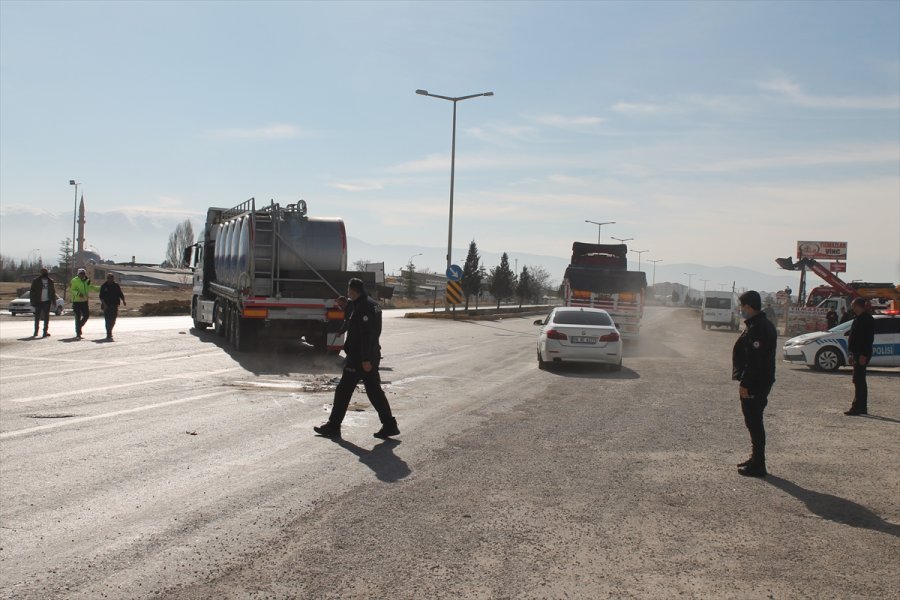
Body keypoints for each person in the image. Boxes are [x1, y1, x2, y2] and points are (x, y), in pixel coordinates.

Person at [314, 278, 399, 439]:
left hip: (361, 357)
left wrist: (366, 359)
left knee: (347, 391)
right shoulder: (368, 304)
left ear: (353, 290)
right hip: (364, 355)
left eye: (348, 291)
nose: (347, 293)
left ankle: (334, 426)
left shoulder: (364, 307)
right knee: (370, 392)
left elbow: (367, 335)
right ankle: (389, 425)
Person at [731, 290, 777, 478]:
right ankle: (755, 458)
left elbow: (756, 360)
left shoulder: (759, 327)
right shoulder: (756, 325)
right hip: (757, 380)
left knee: (755, 421)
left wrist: (746, 383)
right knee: (752, 421)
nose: (741, 309)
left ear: (749, 307)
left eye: (742, 306)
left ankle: (759, 464)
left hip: (756, 383)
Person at [845, 298, 874, 416]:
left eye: (853, 305)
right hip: (856, 352)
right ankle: (861, 407)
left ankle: (858, 407)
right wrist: (851, 353)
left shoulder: (867, 319)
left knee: (859, 379)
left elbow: (868, 339)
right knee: (858, 380)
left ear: (858, 305)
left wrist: (864, 355)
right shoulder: (857, 319)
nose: (852, 307)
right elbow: (854, 337)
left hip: (862, 353)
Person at [70, 268, 100, 340]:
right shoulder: (74, 280)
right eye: (81, 273)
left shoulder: (87, 281)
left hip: (84, 301)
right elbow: (72, 289)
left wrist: (100, 288)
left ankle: (79, 326)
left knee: (86, 315)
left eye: (83, 273)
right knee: (78, 317)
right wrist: (78, 293)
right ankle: (78, 333)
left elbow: (92, 287)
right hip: (76, 301)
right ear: (78, 274)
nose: (82, 275)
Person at [29, 268, 57, 338]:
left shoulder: (50, 281)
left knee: (46, 317)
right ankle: (36, 331)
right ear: (41, 273)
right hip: (38, 301)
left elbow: (53, 292)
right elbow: (32, 292)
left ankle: (45, 332)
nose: (45, 273)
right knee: (37, 317)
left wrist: (54, 301)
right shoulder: (36, 281)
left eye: (46, 272)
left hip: (47, 301)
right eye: (43, 272)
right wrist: (32, 301)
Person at [99, 273, 126, 341]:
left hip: (114, 305)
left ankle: (110, 331)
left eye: (111, 278)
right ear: (107, 278)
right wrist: (104, 304)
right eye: (108, 278)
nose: (110, 279)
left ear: (113, 278)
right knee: (107, 320)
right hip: (106, 306)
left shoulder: (116, 285)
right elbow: (101, 296)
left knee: (113, 320)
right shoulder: (104, 286)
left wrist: (123, 300)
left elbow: (120, 293)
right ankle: (108, 333)